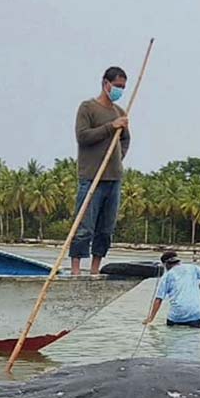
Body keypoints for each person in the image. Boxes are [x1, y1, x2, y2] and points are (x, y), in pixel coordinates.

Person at [70, 66, 130, 275]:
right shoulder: (87, 108)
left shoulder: (120, 113)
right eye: (117, 86)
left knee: (105, 229)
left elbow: (125, 140)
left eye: (123, 87)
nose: (120, 90)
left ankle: (95, 269)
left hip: (113, 179)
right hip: (91, 177)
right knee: (84, 226)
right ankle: (76, 270)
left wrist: (118, 157)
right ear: (106, 84)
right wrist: (110, 127)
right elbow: (83, 136)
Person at [143, 251, 200, 327]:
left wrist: (150, 318)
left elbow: (158, 299)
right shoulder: (192, 268)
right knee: (193, 336)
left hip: (177, 315)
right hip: (196, 313)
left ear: (166, 264)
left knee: (172, 335)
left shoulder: (167, 276)